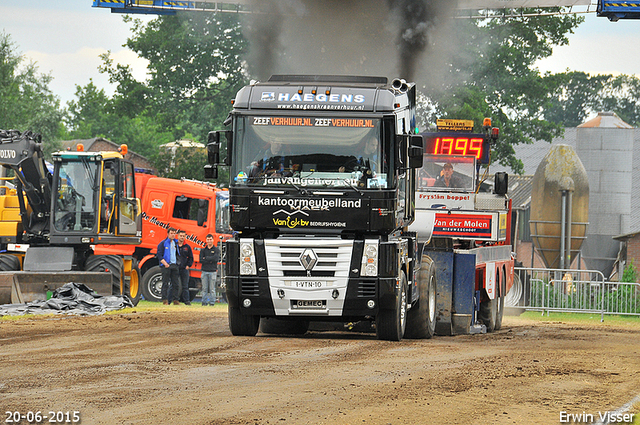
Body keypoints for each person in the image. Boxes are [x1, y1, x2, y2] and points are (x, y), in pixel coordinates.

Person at [157, 227, 181, 305]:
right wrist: (165, 264)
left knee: (175, 284)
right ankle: (165, 300)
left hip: (174, 265)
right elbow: (159, 255)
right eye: (171, 233)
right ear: (168, 234)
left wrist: (177, 263)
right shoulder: (163, 243)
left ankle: (175, 300)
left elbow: (178, 254)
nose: (173, 235)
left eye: (174, 233)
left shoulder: (176, 243)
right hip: (166, 265)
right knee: (165, 283)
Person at [199, 233, 220, 306]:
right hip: (204, 271)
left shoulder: (216, 250)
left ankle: (212, 302)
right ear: (206, 240)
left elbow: (216, 259)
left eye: (210, 239)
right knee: (204, 288)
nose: (209, 241)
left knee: (212, 289)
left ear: (213, 240)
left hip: (213, 271)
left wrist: (206, 258)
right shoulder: (203, 250)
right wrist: (210, 259)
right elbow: (201, 260)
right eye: (208, 239)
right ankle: (204, 302)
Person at [176, 229, 194, 305]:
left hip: (184, 269)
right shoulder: (174, 245)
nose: (182, 237)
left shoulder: (187, 247)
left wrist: (188, 265)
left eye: (183, 236)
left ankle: (187, 301)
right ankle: (173, 300)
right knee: (173, 285)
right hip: (175, 268)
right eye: (181, 236)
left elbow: (191, 257)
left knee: (185, 286)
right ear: (178, 236)